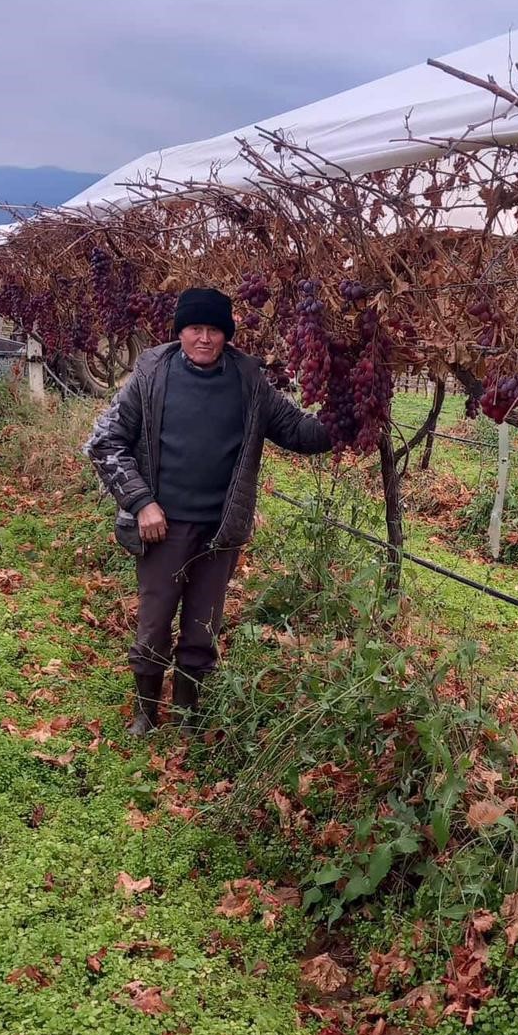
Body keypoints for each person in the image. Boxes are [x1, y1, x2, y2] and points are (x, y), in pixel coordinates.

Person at [85, 286, 331, 734]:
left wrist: (346, 419)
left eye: (214, 329)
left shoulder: (249, 380)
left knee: (202, 625)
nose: (204, 338)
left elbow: (296, 430)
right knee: (156, 619)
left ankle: (186, 715)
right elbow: (105, 442)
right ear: (180, 331)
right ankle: (145, 713)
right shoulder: (151, 375)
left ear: (226, 335)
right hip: (163, 526)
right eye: (195, 328)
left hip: (220, 529)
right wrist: (141, 503)